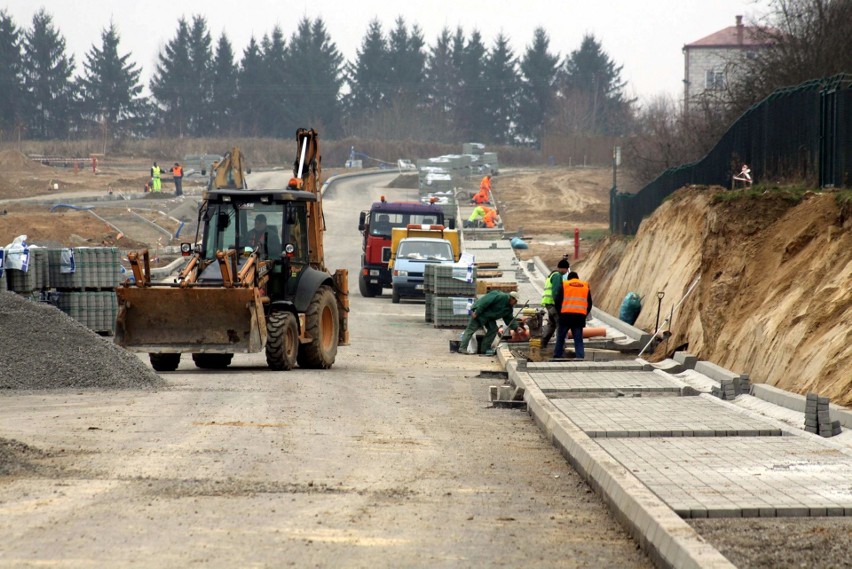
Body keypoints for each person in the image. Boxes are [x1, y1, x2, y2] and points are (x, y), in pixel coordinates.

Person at [458, 290, 519, 354]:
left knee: (493, 329)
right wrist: (477, 312)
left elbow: (509, 319)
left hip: (489, 317)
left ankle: (485, 349)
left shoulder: (508, 308)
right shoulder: (500, 297)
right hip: (480, 314)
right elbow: (485, 302)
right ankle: (462, 348)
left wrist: (516, 327)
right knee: (470, 329)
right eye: (515, 301)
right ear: (511, 298)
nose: (516, 303)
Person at [552, 271, 593, 360]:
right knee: (578, 339)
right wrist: (584, 314)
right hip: (579, 317)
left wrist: (560, 313)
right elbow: (589, 303)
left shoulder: (565, 284)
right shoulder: (585, 285)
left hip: (565, 316)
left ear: (569, 278)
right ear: (577, 278)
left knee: (561, 337)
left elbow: (557, 300)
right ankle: (580, 356)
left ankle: (557, 356)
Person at [540, 258, 570, 349]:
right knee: (560, 324)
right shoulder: (557, 276)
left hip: (549, 303)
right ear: (563, 268)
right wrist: (559, 306)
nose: (567, 271)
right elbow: (556, 292)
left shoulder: (552, 275)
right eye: (567, 269)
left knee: (552, 324)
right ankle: (561, 346)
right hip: (553, 304)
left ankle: (543, 344)